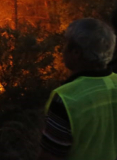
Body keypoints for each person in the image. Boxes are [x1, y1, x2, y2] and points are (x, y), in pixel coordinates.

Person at [38, 18, 117, 160]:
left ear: (76, 52)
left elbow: (50, 156)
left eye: (65, 44)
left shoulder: (66, 99)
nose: (62, 49)